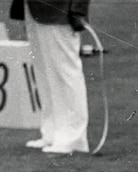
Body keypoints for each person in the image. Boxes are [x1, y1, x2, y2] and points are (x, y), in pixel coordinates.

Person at [10, 0, 90, 154]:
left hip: (60, 11)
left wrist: (78, 11)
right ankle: (51, 132)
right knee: (44, 72)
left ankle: (73, 138)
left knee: (65, 73)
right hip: (34, 9)